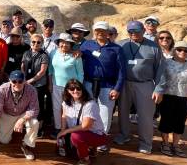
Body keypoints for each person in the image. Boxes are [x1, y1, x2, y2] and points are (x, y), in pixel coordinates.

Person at [114, 20, 164, 154]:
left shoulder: (154, 47)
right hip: (124, 84)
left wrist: (159, 89)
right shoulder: (121, 44)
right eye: (130, 31)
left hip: (145, 84)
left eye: (136, 31)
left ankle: (146, 143)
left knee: (145, 116)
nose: (133, 34)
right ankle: (124, 135)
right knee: (123, 112)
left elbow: (160, 70)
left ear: (143, 30)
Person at [79, 21, 125, 152]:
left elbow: (122, 71)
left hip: (107, 85)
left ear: (108, 33)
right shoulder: (87, 45)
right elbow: (78, 56)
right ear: (94, 32)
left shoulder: (116, 49)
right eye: (97, 30)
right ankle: (89, 137)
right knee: (88, 111)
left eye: (102, 31)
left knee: (105, 113)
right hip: (88, 83)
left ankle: (101, 140)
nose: (99, 33)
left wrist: (117, 88)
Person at [154, 41, 187, 158]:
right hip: (169, 95)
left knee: (180, 120)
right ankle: (165, 143)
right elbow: (159, 79)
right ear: (174, 50)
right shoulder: (166, 63)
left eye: (186, 50)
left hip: (186, 96)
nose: (182, 52)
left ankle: (175, 145)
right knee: (166, 119)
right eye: (179, 49)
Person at [58, 79, 108, 165]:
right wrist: (62, 131)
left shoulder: (90, 104)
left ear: (82, 89)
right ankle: (90, 150)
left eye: (78, 88)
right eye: (72, 89)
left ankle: (85, 159)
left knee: (76, 137)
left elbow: (86, 126)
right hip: (80, 131)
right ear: (67, 91)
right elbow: (64, 116)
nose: (75, 91)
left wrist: (66, 131)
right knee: (63, 144)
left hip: (97, 135)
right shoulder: (66, 102)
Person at [0, 70, 39, 160]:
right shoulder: (3, 88)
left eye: (20, 81)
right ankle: (12, 132)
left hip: (23, 114)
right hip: (7, 114)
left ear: (24, 81)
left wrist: (22, 120)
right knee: (4, 141)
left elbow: (34, 110)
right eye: (14, 81)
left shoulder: (32, 90)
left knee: (35, 123)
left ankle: (27, 145)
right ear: (9, 80)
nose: (17, 84)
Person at [48, 33, 84, 135]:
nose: (64, 45)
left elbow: (80, 73)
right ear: (59, 43)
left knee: (71, 107)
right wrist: (50, 84)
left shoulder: (76, 55)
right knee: (57, 107)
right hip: (56, 85)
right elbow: (50, 70)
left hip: (72, 88)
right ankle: (58, 128)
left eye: (67, 43)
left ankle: (71, 128)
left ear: (71, 44)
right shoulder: (53, 53)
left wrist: (79, 88)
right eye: (62, 42)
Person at [22, 33, 51, 137]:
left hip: (39, 85)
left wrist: (30, 80)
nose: (36, 44)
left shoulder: (44, 55)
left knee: (38, 106)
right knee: (28, 104)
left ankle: (39, 127)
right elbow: (23, 66)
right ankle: (28, 125)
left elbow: (42, 72)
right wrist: (24, 79)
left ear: (42, 43)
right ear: (30, 42)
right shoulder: (26, 53)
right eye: (34, 42)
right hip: (27, 83)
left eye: (39, 42)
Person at [4, 28, 29, 95]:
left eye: (17, 36)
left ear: (21, 37)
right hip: (8, 76)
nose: (15, 38)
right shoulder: (7, 46)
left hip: (21, 77)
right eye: (12, 36)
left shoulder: (26, 47)